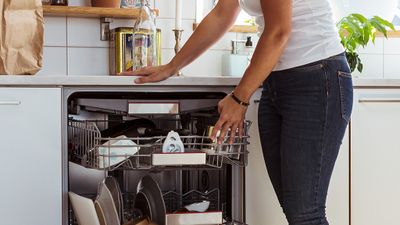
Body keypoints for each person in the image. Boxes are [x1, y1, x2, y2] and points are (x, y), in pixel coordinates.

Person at [126, 0, 353, 224]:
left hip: (316, 79)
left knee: (305, 214)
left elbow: (278, 31)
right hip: (276, 82)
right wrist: (171, 67)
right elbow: (222, 14)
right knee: (295, 211)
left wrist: (240, 97)